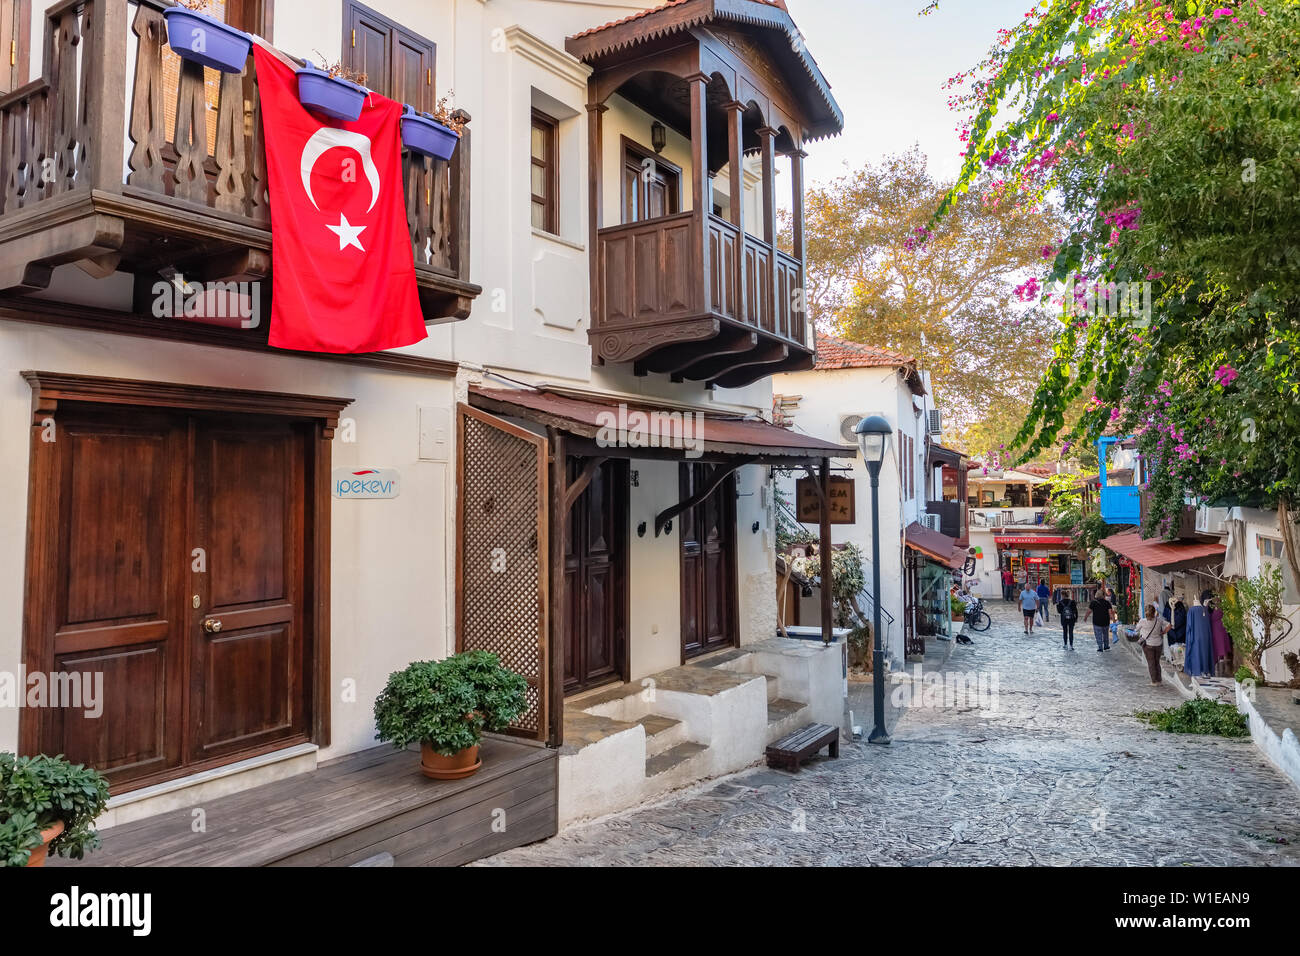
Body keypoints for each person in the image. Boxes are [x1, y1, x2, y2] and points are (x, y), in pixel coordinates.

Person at [1134, 604, 1172, 684]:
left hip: (1148, 645)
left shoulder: (1142, 621)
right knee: (1157, 662)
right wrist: (1163, 632)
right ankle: (1159, 680)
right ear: (1154, 612)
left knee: (1151, 663)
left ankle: (1154, 681)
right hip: (1158, 644)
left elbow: (1136, 629)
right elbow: (1169, 625)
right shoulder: (1159, 620)